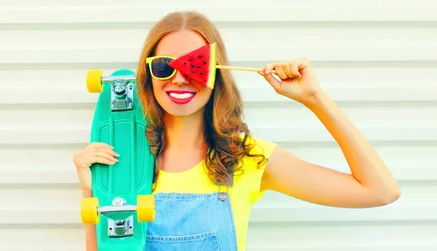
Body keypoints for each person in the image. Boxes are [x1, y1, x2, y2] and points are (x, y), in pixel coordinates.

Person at [73, 10, 401, 251]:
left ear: (216, 71)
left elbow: (381, 191)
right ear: (148, 75)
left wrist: (315, 99)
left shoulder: (247, 159)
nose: (178, 78)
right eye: (164, 66)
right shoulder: (125, 160)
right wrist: (93, 190)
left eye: (193, 65)